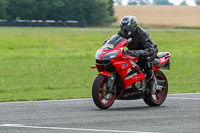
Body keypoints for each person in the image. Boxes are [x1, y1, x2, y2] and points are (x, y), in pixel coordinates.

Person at [118, 16, 158, 93]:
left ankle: (151, 80)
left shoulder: (142, 34)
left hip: (149, 50)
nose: (125, 30)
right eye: (123, 27)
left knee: (144, 59)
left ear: (133, 26)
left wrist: (139, 52)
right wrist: (109, 43)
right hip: (132, 51)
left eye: (127, 27)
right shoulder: (121, 33)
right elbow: (118, 42)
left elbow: (150, 49)